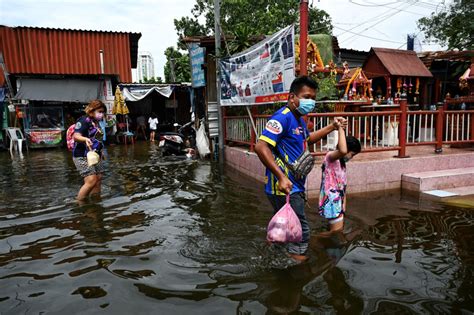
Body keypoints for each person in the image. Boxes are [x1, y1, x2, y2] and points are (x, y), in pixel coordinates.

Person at [254, 76, 347, 262]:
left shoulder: (299, 120)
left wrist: (332, 127)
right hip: (285, 187)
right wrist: (281, 177)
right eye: (306, 96)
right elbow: (260, 146)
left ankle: (274, 253)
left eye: (313, 97)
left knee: (284, 224)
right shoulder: (282, 118)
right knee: (301, 230)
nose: (310, 102)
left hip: (293, 186)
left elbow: (307, 139)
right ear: (292, 97)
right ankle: (297, 267)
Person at [318, 127, 361, 232]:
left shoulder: (341, 163)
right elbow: (342, 150)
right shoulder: (331, 158)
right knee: (335, 233)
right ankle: (314, 239)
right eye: (352, 154)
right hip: (332, 203)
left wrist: (343, 205)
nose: (352, 157)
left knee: (334, 231)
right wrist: (340, 128)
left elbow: (343, 187)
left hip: (337, 203)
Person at [72, 100, 107, 201]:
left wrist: (101, 152)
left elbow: (97, 139)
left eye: (103, 112)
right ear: (92, 110)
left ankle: (95, 200)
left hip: (95, 154)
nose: (102, 114)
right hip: (82, 155)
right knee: (91, 180)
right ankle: (79, 202)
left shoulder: (96, 122)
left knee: (99, 178)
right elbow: (76, 136)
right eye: (99, 111)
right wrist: (85, 139)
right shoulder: (83, 120)